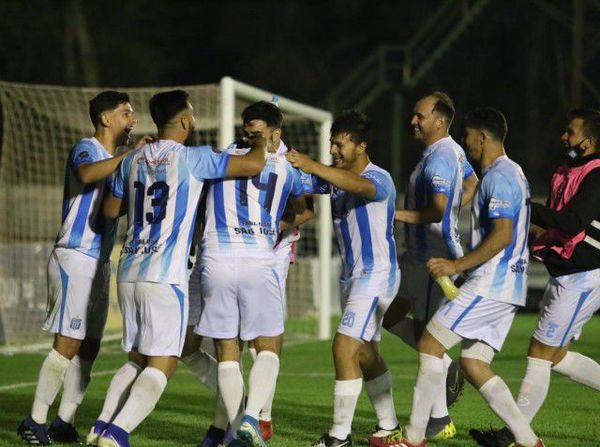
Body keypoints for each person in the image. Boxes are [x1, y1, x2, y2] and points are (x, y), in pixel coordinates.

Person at [87, 90, 267, 447]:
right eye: (193, 113)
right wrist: (260, 141)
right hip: (165, 274)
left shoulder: (131, 159)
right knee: (163, 363)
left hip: (130, 270)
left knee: (137, 357)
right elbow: (254, 165)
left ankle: (98, 427)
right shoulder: (193, 158)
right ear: (185, 120)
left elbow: (109, 211)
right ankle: (117, 434)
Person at [396, 107, 544, 447]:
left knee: (430, 344)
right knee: (474, 363)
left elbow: (504, 234)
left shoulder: (499, 176)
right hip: (508, 286)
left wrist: (456, 265)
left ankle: (414, 437)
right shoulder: (514, 173)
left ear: (483, 137)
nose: (465, 143)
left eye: (467, 137)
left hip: (493, 283)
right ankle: (528, 441)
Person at [18, 91, 147, 445]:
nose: (132, 120)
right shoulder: (87, 148)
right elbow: (87, 173)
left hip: (101, 261)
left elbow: (110, 208)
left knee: (89, 345)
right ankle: (35, 420)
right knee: (69, 340)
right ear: (106, 119)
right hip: (74, 255)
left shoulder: (116, 161)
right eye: (126, 113)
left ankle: (64, 420)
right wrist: (130, 156)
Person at [470, 108, 600, 447]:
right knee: (555, 356)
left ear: (590, 140)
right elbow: (557, 224)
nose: (564, 138)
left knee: (540, 352)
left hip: (583, 276)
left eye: (571, 133)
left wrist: (525, 206)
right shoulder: (568, 170)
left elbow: (572, 222)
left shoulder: (598, 174)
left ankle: (513, 436)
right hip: (568, 273)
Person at [194, 101, 306, 447]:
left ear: (245, 130)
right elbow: (302, 211)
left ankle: (232, 427)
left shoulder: (217, 158)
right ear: (274, 134)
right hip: (259, 258)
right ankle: (252, 418)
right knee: (268, 345)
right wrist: (274, 226)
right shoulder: (288, 169)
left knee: (227, 349)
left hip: (217, 258)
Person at [287, 110, 401, 447]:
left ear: (361, 146)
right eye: (332, 144)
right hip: (351, 276)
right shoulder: (334, 179)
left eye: (340, 144)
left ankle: (339, 436)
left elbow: (360, 186)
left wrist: (313, 166)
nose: (334, 150)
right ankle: (389, 423)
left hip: (376, 275)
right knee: (365, 353)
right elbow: (303, 180)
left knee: (343, 345)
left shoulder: (379, 178)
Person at [383, 91, 477, 440]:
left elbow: (437, 209)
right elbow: (471, 183)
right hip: (418, 259)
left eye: (419, 116)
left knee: (427, 339)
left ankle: (437, 421)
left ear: (439, 121)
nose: (413, 121)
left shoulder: (439, 157)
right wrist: (454, 206)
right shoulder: (451, 151)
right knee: (389, 317)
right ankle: (448, 370)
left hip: (431, 260)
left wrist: (393, 214)